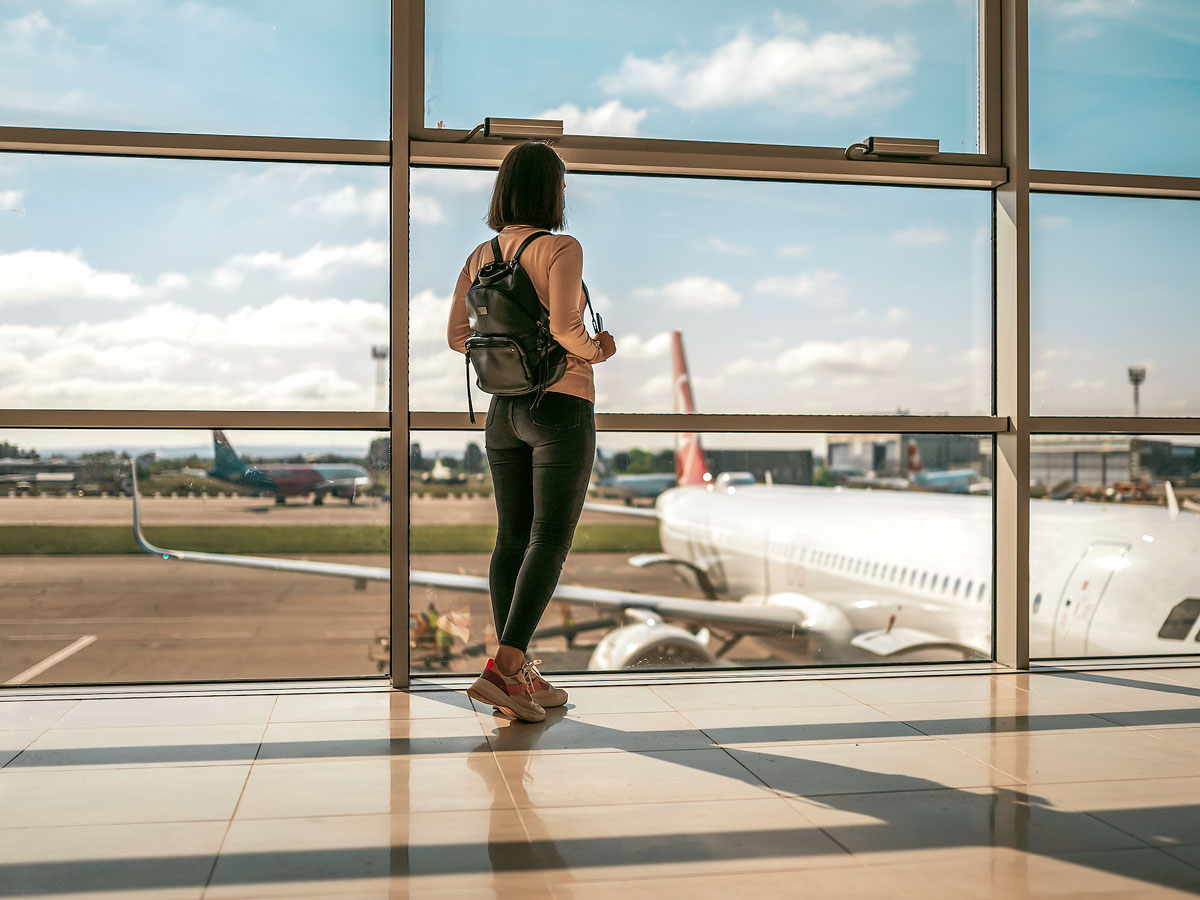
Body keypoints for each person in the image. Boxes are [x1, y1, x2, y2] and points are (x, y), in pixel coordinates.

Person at [446, 141, 617, 722]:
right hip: (561, 405)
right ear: (552, 192)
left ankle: (516, 676)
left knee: (511, 538)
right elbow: (569, 330)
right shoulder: (560, 248)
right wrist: (600, 349)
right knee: (550, 537)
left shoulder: (481, 254)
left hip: (502, 414)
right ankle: (503, 668)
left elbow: (455, 336)